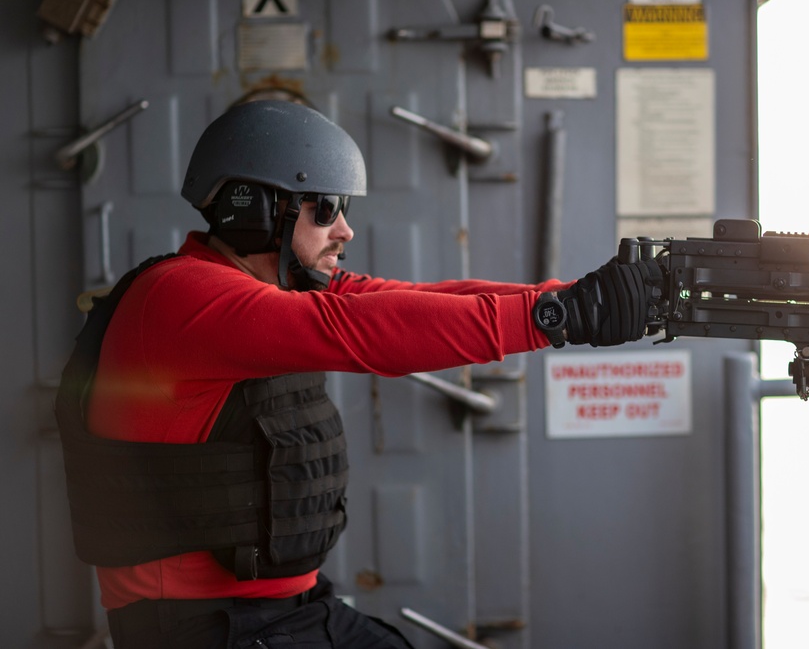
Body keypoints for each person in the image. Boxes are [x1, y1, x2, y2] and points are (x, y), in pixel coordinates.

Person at [54, 99, 664, 648]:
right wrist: (557, 318)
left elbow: (412, 298)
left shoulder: (264, 284)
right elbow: (368, 331)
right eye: (325, 208)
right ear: (258, 207)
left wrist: (575, 298)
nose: (344, 229)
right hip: (205, 626)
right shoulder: (186, 298)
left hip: (281, 614)